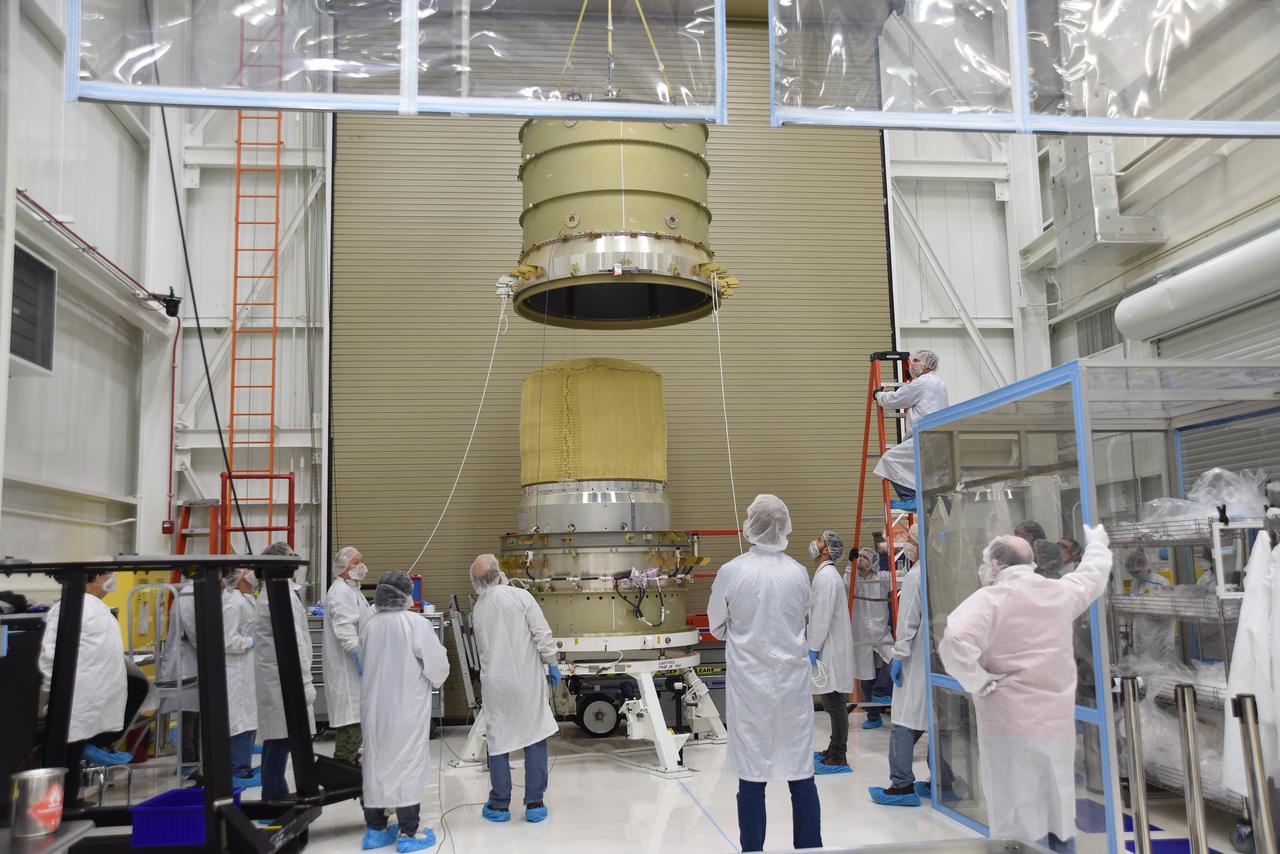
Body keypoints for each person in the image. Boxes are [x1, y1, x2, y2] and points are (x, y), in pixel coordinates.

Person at [938, 526, 1112, 852]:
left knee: (1016, 812)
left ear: (995, 565)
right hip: (1055, 724)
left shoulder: (991, 599)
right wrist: (1098, 545)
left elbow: (955, 641)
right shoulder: (1058, 592)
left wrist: (979, 680)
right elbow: (1092, 576)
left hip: (1008, 724)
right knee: (1056, 807)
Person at [708, 494, 821, 852]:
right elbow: (803, 616)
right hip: (792, 688)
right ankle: (809, 847)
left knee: (752, 779)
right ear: (785, 526)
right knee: (801, 774)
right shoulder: (798, 572)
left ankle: (753, 849)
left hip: (750, 690)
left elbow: (715, 625)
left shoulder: (732, 571)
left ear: (751, 526)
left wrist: (741, 637)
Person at [359, 571, 450, 852]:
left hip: (374, 710)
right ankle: (409, 833)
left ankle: (375, 829)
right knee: (408, 765)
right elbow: (437, 667)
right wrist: (435, 677)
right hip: (406, 709)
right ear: (406, 594)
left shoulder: (369, 625)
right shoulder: (415, 624)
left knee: (375, 763)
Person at [469, 554, 561, 824]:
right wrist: (552, 663)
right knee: (534, 735)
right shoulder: (520, 597)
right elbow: (541, 633)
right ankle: (534, 803)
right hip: (526, 679)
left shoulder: (479, 607)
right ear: (499, 572)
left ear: (476, 581)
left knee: (498, 739)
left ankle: (499, 805)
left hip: (496, 683)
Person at [38, 567, 128, 806]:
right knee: (63, 756)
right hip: (73, 698)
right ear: (97, 577)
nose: (113, 579)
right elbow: (51, 655)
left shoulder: (97, 607)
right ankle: (59, 807)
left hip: (88, 698)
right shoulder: (69, 608)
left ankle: (69, 802)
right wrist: (55, 690)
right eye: (110, 573)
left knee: (74, 752)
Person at [868, 532, 944, 807]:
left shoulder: (915, 575)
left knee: (903, 720)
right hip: (940, 658)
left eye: (910, 541)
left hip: (917, 657)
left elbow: (908, 620)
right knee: (938, 722)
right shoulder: (944, 568)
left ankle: (901, 786)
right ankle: (942, 782)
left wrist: (899, 656)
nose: (906, 547)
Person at [254, 541, 316, 804]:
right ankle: (273, 796)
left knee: (277, 739)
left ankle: (274, 791)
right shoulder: (280, 595)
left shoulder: (274, 592)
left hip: (277, 676)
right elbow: (296, 642)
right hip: (283, 679)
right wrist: (306, 680)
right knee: (280, 739)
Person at [873, 350, 949, 510]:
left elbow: (897, 399)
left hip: (924, 437)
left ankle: (912, 497)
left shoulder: (922, 382)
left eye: (916, 360)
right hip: (937, 436)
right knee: (921, 472)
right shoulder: (939, 382)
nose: (912, 364)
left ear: (927, 365)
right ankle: (921, 498)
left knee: (889, 459)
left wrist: (879, 396)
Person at [807, 531, 855, 773]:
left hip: (829, 649)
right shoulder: (826, 575)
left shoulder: (826, 578)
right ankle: (834, 748)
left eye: (819, 540)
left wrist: (812, 648)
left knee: (834, 703)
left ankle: (838, 754)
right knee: (832, 701)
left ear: (826, 550)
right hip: (831, 647)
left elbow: (821, 618)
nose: (814, 543)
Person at [323, 546, 372, 767]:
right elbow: (345, 632)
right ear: (342, 568)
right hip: (348, 669)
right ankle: (342, 766)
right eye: (355, 563)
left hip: (356, 669)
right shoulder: (340, 592)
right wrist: (362, 657)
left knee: (357, 721)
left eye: (361, 561)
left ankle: (350, 762)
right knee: (351, 723)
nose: (360, 566)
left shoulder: (352, 589)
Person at [158, 575, 200, 774]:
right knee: (189, 714)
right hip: (187, 662)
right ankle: (187, 763)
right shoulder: (189, 595)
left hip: (192, 661)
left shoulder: (192, 593)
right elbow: (196, 632)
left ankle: (195, 761)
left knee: (195, 714)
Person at [848, 547, 893, 731]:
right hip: (861, 636)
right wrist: (850, 566)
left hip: (881, 633)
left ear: (873, 561)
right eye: (859, 557)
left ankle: (880, 690)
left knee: (894, 658)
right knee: (865, 679)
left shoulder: (881, 578)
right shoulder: (853, 580)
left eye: (865, 557)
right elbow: (845, 584)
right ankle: (873, 717)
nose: (861, 559)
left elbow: (900, 577)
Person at [223, 567, 259, 785]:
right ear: (236, 579)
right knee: (240, 718)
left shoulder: (245, 599)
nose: (251, 574)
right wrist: (251, 642)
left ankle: (242, 765)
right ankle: (238, 768)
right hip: (236, 668)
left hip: (247, 665)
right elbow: (227, 640)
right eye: (246, 571)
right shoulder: (232, 603)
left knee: (248, 717)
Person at [1124, 550, 1176, 661]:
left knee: (1160, 671)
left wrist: (1148, 606)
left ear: (1146, 566)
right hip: (1141, 634)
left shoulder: (1161, 582)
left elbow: (1167, 613)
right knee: (1144, 670)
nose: (1134, 575)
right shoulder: (1135, 584)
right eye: (1131, 572)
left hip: (1159, 636)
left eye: (1137, 571)